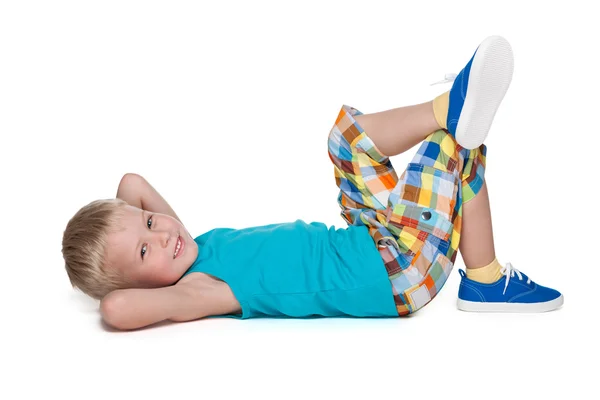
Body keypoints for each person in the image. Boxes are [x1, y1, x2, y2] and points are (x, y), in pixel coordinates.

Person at [61, 35, 563, 330]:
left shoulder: (192, 246)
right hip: (398, 275)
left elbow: (132, 182)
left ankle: (448, 108)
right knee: (453, 150)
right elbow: (117, 305)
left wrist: (136, 237)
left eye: (150, 221)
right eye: (146, 252)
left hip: (368, 237)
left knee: (344, 139)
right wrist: (123, 270)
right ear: (145, 282)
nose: (162, 234)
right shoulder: (199, 288)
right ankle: (486, 278)